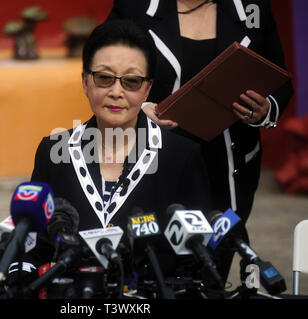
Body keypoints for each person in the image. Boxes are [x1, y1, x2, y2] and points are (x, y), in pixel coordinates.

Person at [106, 0, 294, 282]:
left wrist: (266, 110)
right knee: (150, 268)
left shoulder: (252, 9)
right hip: (154, 166)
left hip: (228, 169)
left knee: (212, 270)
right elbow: (103, 72)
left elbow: (280, 81)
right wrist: (135, 110)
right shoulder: (134, 6)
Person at [23, 19, 214, 295]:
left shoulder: (181, 156)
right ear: (85, 82)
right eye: (104, 78)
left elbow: (198, 258)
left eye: (131, 81)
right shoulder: (54, 152)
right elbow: (34, 247)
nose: (116, 92)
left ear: (147, 89)